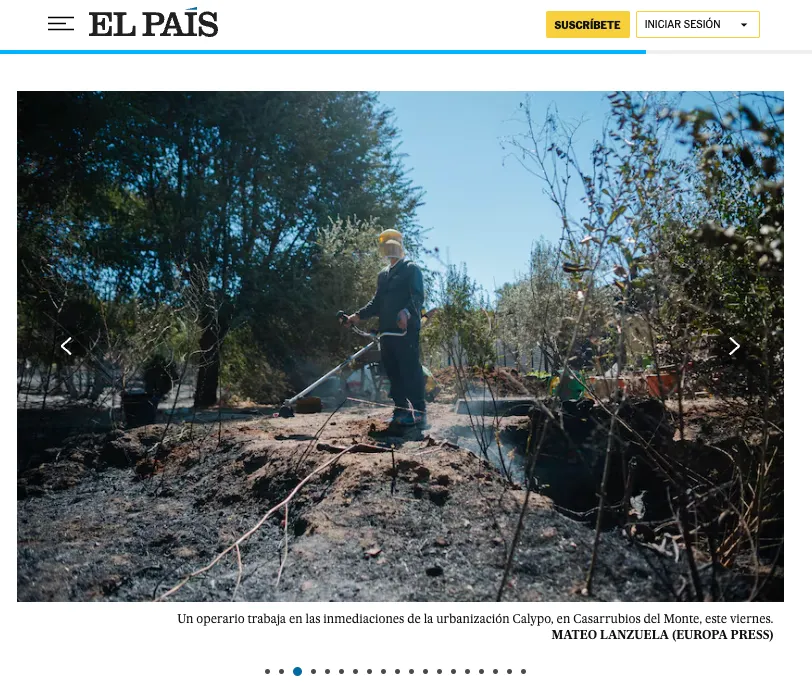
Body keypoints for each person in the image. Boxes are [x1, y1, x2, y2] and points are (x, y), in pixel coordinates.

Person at [346, 229, 426, 427]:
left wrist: (406, 313)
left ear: (399, 246)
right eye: (386, 246)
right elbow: (376, 303)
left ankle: (419, 413)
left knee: (409, 370)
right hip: (387, 331)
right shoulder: (383, 275)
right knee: (392, 371)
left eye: (392, 245)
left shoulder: (411, 269)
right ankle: (400, 410)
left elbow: (418, 297)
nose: (389, 249)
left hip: (406, 331)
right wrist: (357, 316)